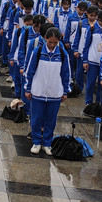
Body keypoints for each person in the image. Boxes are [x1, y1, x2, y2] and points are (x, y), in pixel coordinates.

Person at [24, 26, 71, 154]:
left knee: (51, 119)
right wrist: (28, 89)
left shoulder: (62, 54)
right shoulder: (37, 52)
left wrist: (65, 91)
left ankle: (48, 143)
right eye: (50, 41)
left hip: (55, 93)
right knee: (36, 118)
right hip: (38, 91)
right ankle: (37, 141)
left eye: (55, 42)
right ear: (45, 38)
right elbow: (30, 71)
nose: (52, 44)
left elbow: (66, 74)